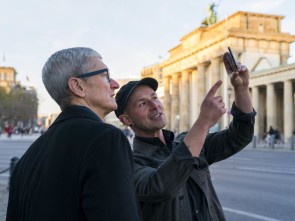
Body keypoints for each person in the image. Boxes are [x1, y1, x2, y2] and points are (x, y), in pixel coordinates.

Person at [114, 51, 256, 221]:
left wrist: (241, 89)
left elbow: (240, 136)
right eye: (143, 103)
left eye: (155, 98)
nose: (155, 106)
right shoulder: (129, 163)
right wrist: (203, 122)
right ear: (126, 119)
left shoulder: (185, 141)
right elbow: (161, 186)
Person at [6, 47, 142, 221]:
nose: (115, 84)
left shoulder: (26, 161)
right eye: (105, 75)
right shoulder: (105, 139)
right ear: (78, 86)